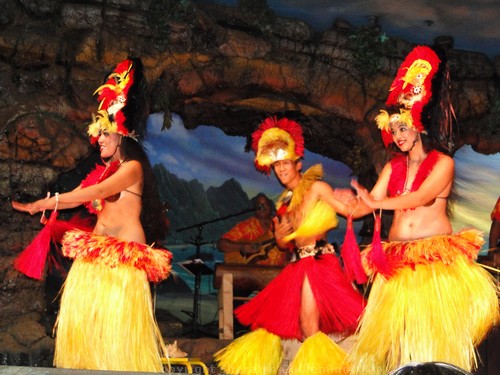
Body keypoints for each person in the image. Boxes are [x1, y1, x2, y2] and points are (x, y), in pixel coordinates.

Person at [345, 45, 499, 374]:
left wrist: (376, 203)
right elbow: (364, 205)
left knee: (429, 343)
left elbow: (421, 197)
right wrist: (338, 201)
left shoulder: (443, 163)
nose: (398, 135)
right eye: (393, 130)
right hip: (398, 263)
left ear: (418, 127)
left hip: (432, 264)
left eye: (403, 128)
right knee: (399, 346)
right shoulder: (393, 168)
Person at [12, 58, 172, 372]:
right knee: (85, 324)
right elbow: (94, 203)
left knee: (117, 332)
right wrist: (55, 218)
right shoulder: (104, 172)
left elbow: (92, 195)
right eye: (97, 133)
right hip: (96, 253)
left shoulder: (132, 168)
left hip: (123, 259)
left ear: (121, 134)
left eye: (104, 134)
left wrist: (45, 203)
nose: (97, 139)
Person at [214, 116, 365, 375]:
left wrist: (369, 201)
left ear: (298, 164)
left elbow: (349, 211)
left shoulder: (316, 187)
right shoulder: (284, 202)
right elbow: (285, 245)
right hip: (297, 266)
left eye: (285, 163)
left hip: (318, 265)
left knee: (309, 326)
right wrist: (281, 237)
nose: (281, 169)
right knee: (276, 325)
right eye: (276, 165)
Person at [217, 192, 289, 266]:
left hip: (280, 272)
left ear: (270, 206)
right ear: (255, 209)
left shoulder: (280, 224)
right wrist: (242, 246)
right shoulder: (246, 226)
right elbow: (221, 244)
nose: (261, 206)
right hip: (250, 274)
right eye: (259, 205)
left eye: (265, 204)